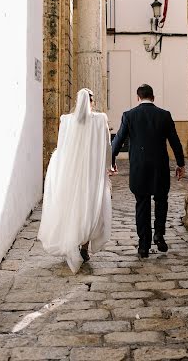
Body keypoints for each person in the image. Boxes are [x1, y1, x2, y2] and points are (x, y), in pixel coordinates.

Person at [38, 88, 112, 273]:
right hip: (91, 172)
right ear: (91, 101)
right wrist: (109, 166)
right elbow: (107, 146)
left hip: (70, 172)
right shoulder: (100, 119)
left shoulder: (65, 120)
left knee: (72, 206)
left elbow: (61, 147)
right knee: (89, 206)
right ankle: (84, 247)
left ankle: (71, 242)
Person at [112, 84, 185, 258]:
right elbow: (175, 141)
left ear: (138, 98)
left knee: (142, 204)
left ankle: (143, 245)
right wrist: (180, 164)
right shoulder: (164, 115)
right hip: (160, 167)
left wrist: (111, 160)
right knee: (161, 201)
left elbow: (118, 140)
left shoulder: (129, 115)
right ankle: (159, 235)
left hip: (139, 168)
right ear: (153, 97)